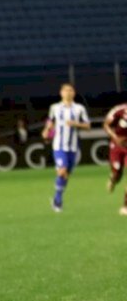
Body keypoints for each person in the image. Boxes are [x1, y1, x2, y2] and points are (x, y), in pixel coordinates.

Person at [43, 83, 90, 212]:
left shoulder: (79, 108)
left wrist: (76, 124)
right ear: (61, 93)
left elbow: (88, 126)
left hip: (73, 148)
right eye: (66, 90)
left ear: (74, 93)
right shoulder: (55, 108)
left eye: (70, 90)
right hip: (59, 145)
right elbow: (50, 121)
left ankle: (57, 199)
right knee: (62, 171)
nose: (68, 92)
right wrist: (47, 130)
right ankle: (57, 202)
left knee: (65, 175)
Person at [102, 102, 127, 215]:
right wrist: (115, 138)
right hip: (117, 146)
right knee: (117, 174)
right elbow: (106, 125)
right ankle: (113, 179)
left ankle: (125, 206)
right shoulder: (120, 110)